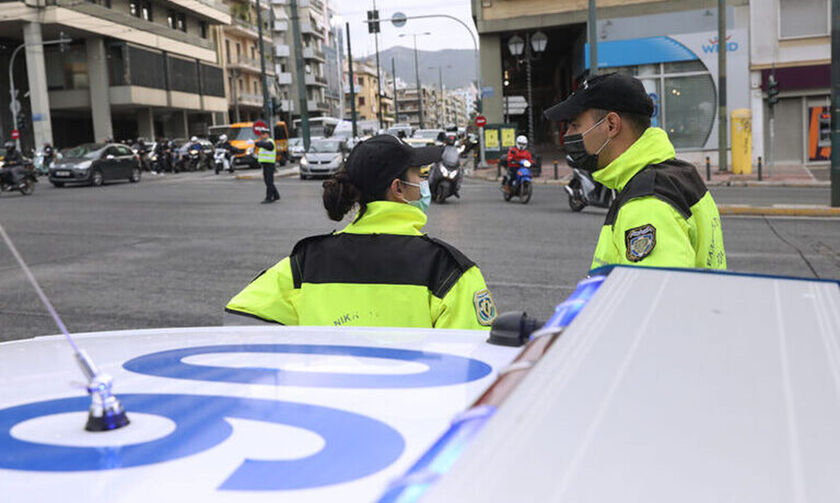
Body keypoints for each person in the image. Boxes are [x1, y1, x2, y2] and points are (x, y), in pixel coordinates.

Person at [225, 134, 497, 329]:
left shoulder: (305, 263)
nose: (424, 184)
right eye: (419, 175)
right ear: (398, 188)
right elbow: (475, 364)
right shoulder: (448, 271)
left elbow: (240, 316)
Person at [544, 72, 726, 270]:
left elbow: (657, 296)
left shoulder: (646, 203)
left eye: (574, 125)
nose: (568, 135)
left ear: (611, 125)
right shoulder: (678, 174)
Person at [254, 125, 279, 203]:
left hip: (269, 164)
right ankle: (276, 195)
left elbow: (268, 146)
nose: (261, 136)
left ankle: (269, 198)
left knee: (268, 181)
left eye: (263, 134)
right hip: (266, 164)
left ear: (267, 134)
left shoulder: (270, 141)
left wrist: (257, 143)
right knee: (268, 181)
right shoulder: (264, 142)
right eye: (261, 134)